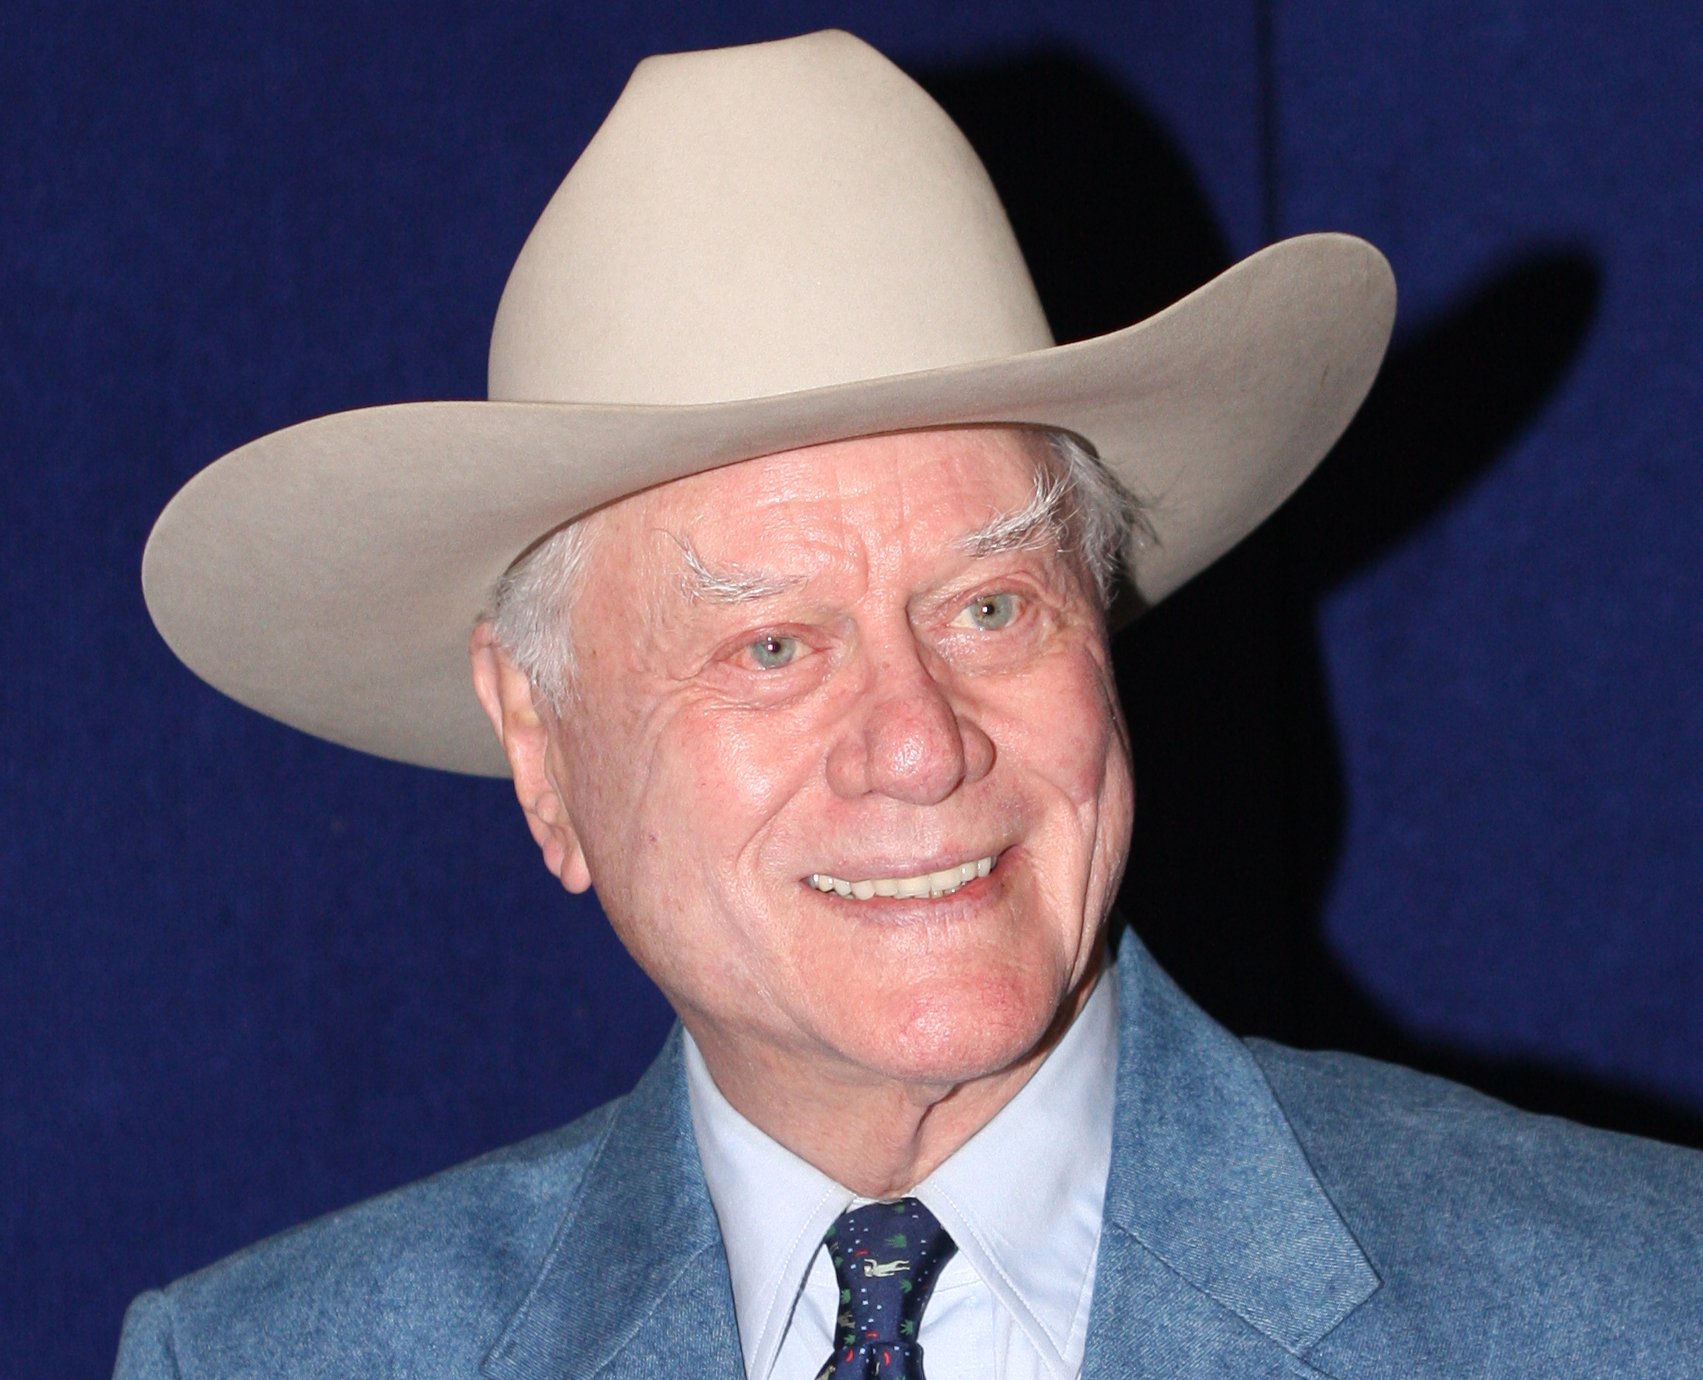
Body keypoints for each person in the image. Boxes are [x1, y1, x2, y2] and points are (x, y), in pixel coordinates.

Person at [120, 29, 1700, 1380]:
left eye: (992, 606)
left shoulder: (1639, 1308)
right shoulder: (263, 1357)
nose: (921, 744)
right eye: (773, 648)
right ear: (538, 745)